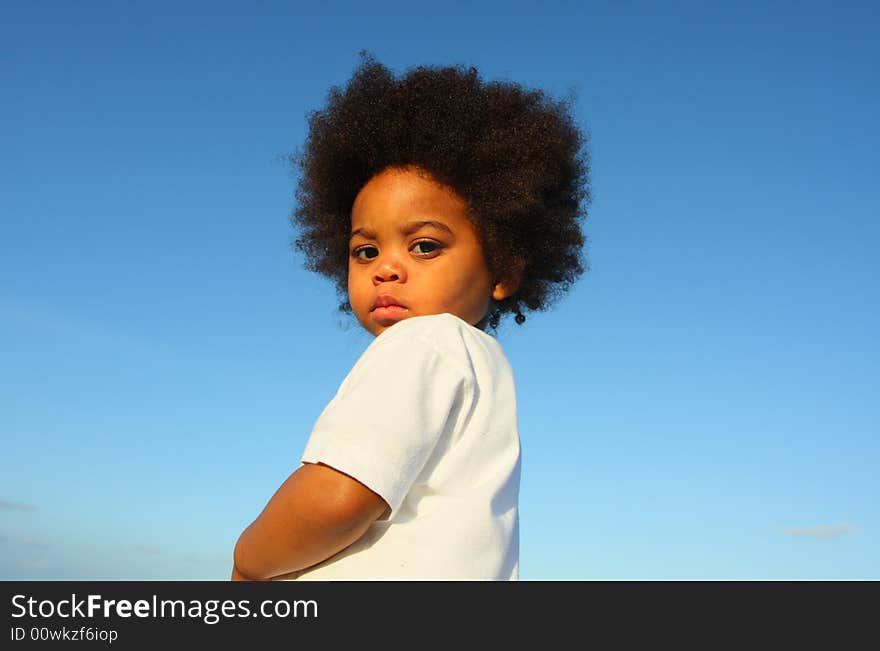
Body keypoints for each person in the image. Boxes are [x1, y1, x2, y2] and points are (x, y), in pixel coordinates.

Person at [231, 51, 590, 580]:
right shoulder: (480, 365)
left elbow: (339, 494)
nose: (386, 269)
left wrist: (248, 565)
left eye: (423, 246)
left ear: (503, 265)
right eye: (365, 251)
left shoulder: (425, 342)